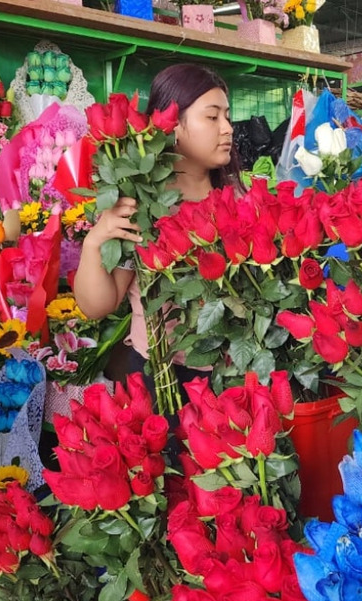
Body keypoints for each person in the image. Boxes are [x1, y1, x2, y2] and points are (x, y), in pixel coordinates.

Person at [74, 63, 243, 381]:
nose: (227, 128)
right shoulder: (138, 201)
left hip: (235, 370)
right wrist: (95, 242)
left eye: (227, 116)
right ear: (173, 125)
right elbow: (99, 305)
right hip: (163, 375)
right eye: (212, 116)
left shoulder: (238, 195)